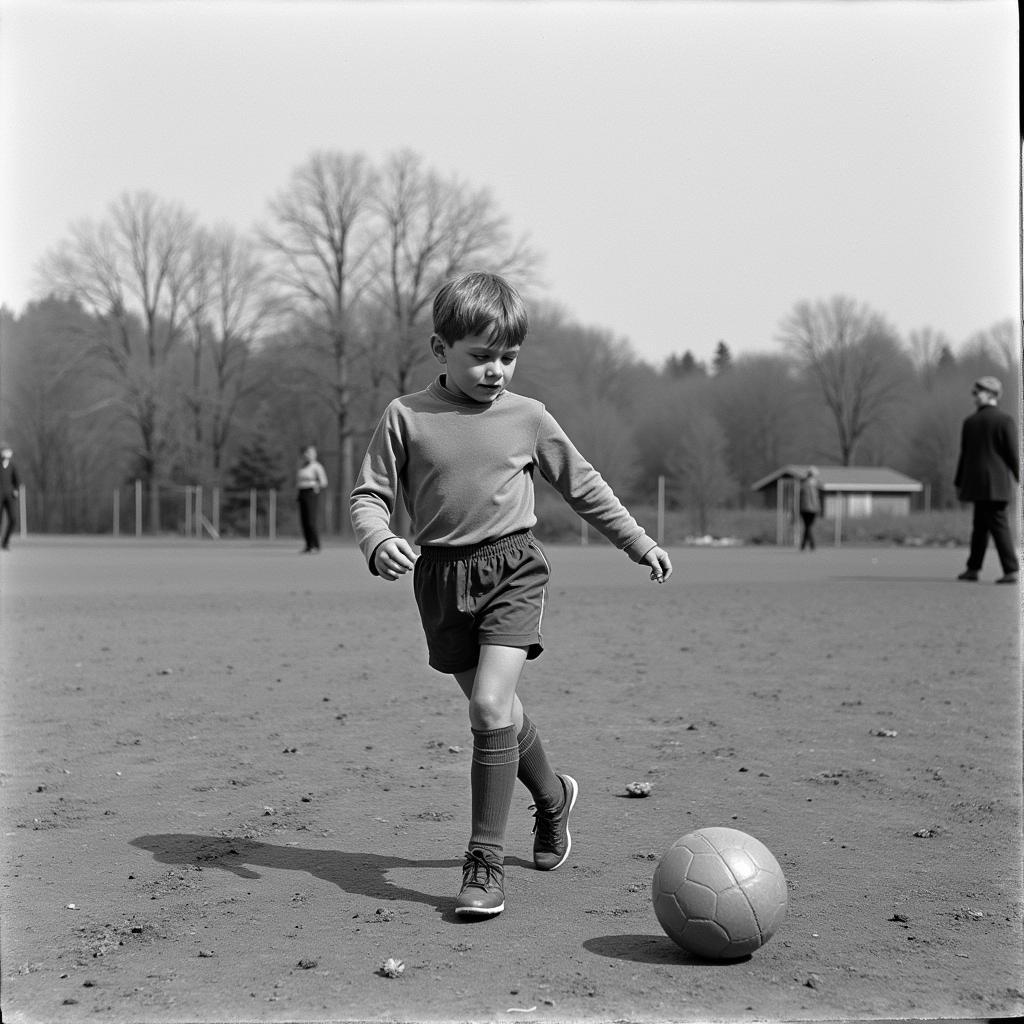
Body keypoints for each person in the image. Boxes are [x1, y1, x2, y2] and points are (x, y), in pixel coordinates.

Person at [350, 272, 672, 918]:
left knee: (491, 706)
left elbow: (584, 486)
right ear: (441, 349)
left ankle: (485, 864)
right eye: (480, 356)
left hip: (512, 571)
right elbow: (369, 497)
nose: (496, 370)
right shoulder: (405, 416)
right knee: (497, 711)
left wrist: (637, 541)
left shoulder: (529, 418)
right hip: (440, 580)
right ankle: (552, 798)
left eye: (507, 356)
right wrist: (377, 539)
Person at [953, 376, 1020, 584]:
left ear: (992, 394)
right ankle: (973, 568)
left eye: (978, 392)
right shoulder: (1001, 421)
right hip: (995, 484)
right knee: (981, 526)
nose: (975, 396)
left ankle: (1010, 570)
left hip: (980, 484)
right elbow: (965, 455)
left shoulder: (975, 422)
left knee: (993, 526)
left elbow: (1012, 454)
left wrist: (959, 481)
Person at [296, 445, 328, 553]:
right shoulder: (302, 466)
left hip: (311, 494)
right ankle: (308, 545)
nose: (307, 455)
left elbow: (324, 482)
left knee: (311, 520)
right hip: (302, 493)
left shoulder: (316, 466)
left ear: (314, 454)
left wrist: (316, 487)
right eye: (306, 453)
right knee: (304, 521)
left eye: (310, 453)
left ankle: (316, 545)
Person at [0, 442, 20, 551]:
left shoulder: (12, 466)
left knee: (13, 519)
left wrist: (16, 490)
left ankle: (5, 542)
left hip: (10, 496)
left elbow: (17, 480)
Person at [797, 466, 822, 551]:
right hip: (811, 509)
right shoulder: (814, 484)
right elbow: (815, 499)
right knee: (808, 526)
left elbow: (799, 498)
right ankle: (811, 544)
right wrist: (818, 508)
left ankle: (804, 545)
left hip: (804, 509)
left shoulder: (803, 484)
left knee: (807, 526)